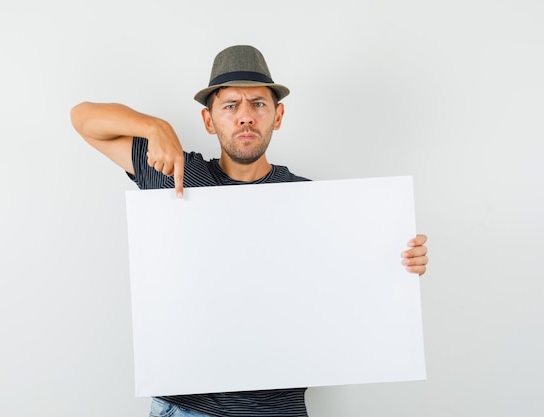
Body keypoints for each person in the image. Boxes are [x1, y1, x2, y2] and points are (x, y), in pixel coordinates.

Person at [71, 45, 429, 417]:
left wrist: (401, 262)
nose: (245, 117)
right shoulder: (177, 175)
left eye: (258, 104)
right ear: (209, 121)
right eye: (230, 106)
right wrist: (155, 127)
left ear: (278, 115)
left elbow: (351, 288)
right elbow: (82, 119)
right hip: (189, 409)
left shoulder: (311, 201)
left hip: (279, 410)